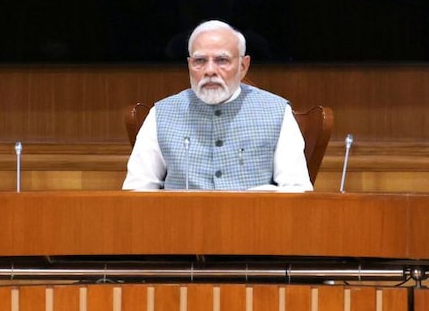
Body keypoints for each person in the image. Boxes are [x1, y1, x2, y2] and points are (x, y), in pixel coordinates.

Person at [124, 20, 312, 191]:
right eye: (200, 61)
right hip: (182, 224)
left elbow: (296, 189)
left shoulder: (277, 112)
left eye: (222, 60)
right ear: (189, 64)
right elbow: (138, 189)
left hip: (254, 223)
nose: (210, 70)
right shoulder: (161, 113)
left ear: (243, 66)